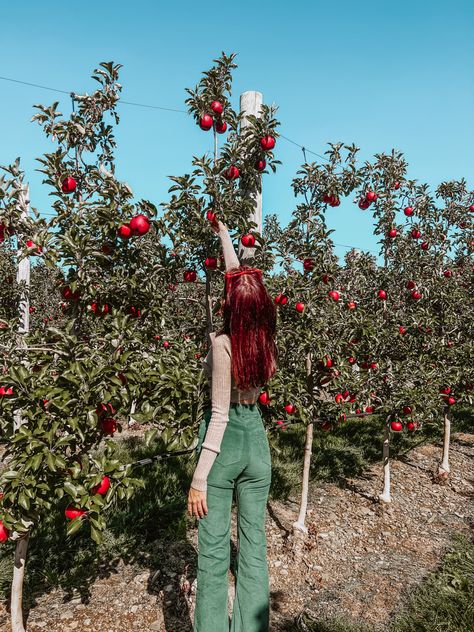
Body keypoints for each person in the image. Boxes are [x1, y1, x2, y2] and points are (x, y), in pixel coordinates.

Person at [188, 216, 278, 632]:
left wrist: (199, 478)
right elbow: (237, 279)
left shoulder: (224, 346)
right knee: (254, 551)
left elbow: (219, 416)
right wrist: (224, 234)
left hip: (224, 447)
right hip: (257, 445)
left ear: (233, 308)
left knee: (212, 558)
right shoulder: (264, 342)